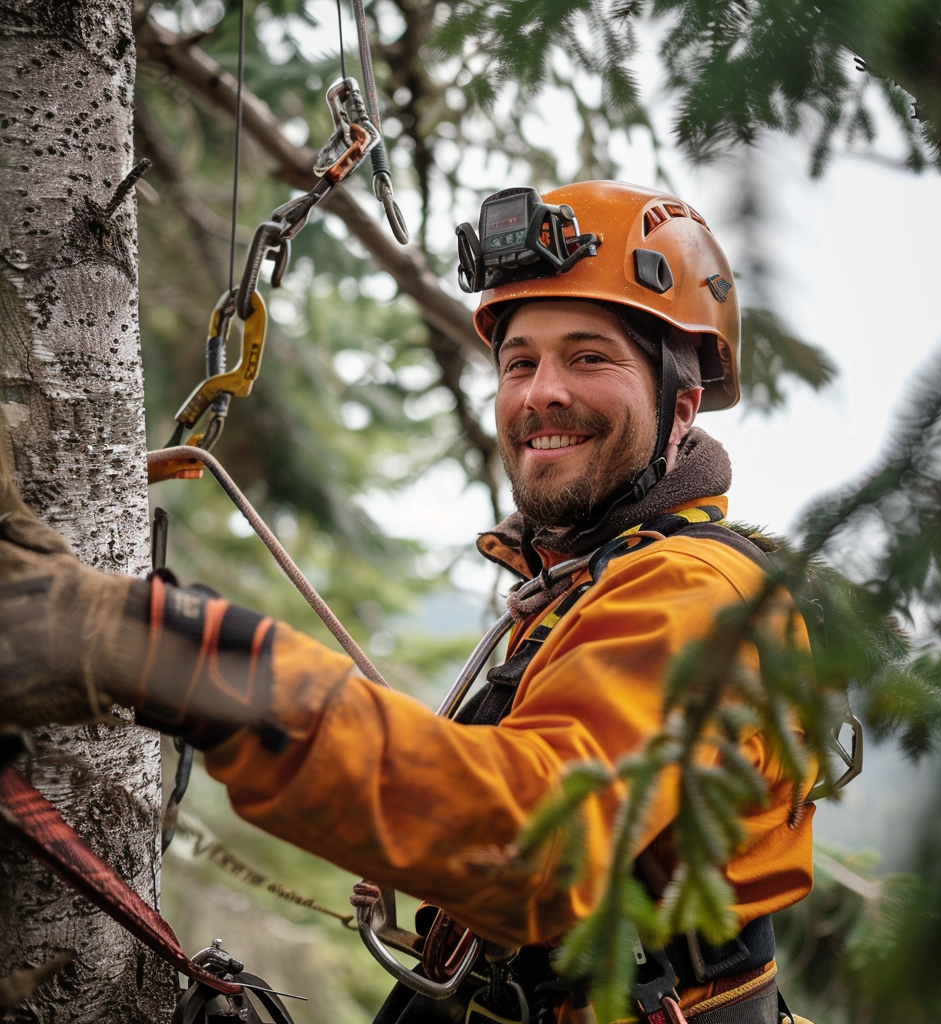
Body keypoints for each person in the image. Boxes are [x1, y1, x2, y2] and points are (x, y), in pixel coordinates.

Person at [0, 181, 815, 1023]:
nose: (541, 393)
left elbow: (533, 848)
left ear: (680, 407)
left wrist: (173, 656)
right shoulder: (582, 588)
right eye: (520, 361)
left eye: (589, 356)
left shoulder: (696, 595)